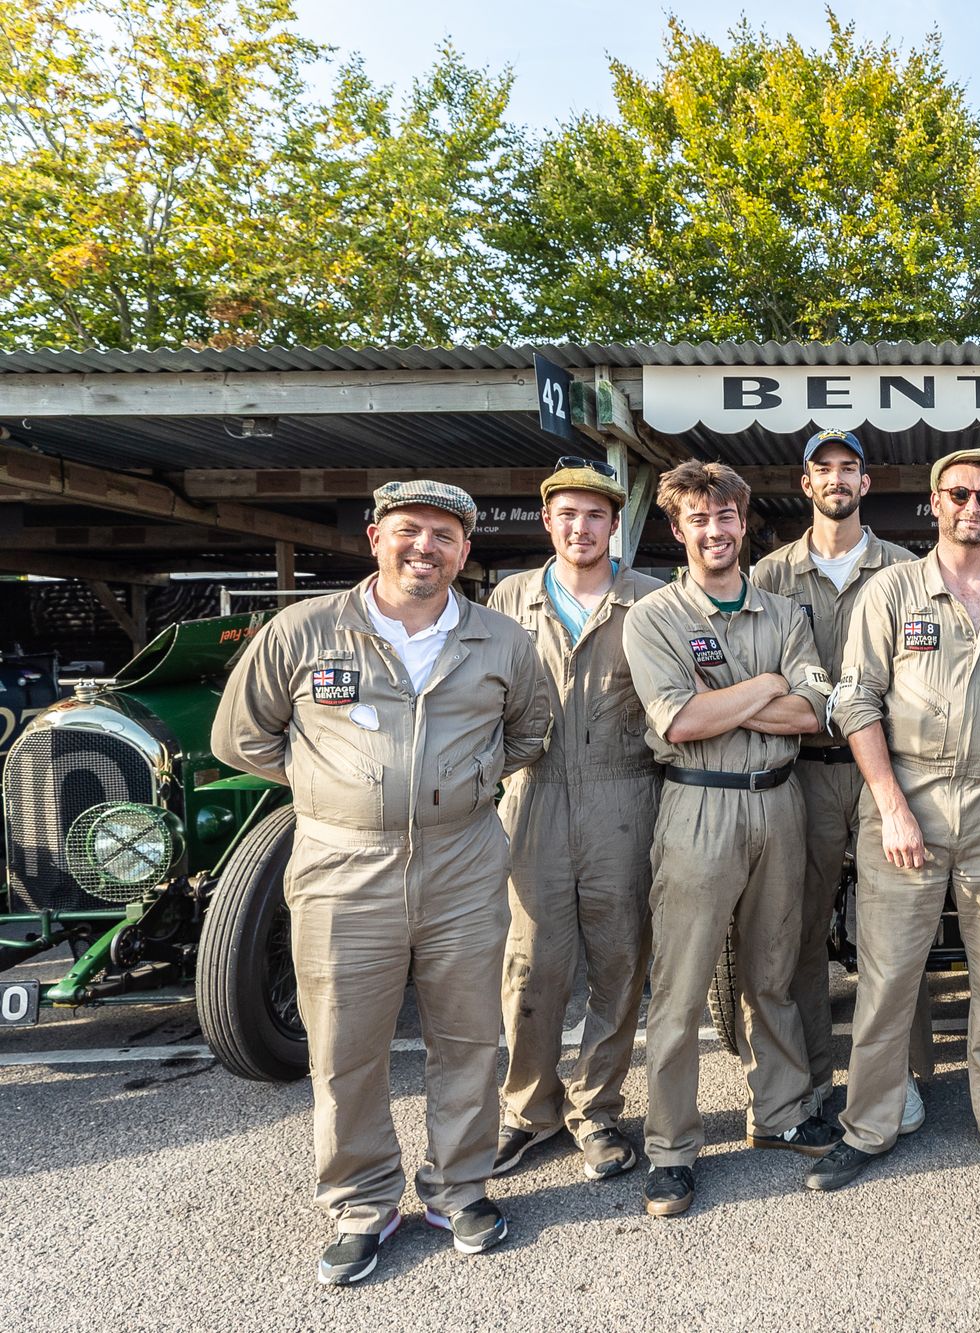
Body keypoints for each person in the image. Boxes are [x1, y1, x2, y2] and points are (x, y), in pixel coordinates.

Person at [212, 480, 552, 1286]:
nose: (425, 548)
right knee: (344, 1045)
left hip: (464, 858)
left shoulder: (502, 641)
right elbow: (242, 737)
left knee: (468, 1034)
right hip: (340, 864)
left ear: (465, 552)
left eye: (444, 534)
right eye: (409, 531)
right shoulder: (304, 630)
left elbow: (528, 733)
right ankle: (363, 1201)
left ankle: (457, 1187)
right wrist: (337, 788)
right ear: (375, 537)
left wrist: (458, 783)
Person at [806, 447, 980, 1191]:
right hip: (907, 797)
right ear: (934, 502)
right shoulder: (890, 591)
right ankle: (869, 1124)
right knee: (888, 976)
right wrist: (890, 804)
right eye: (959, 494)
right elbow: (856, 702)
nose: (972, 507)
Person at [623, 461, 840, 1219]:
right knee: (680, 990)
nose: (715, 532)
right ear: (677, 530)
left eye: (727, 518)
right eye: (699, 520)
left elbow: (814, 715)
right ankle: (672, 1147)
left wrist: (732, 701)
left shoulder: (784, 614)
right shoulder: (653, 617)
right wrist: (767, 687)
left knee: (772, 973)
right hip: (699, 807)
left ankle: (778, 1112)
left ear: (744, 524)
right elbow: (677, 721)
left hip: (780, 802)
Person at [488, 459, 664, 1182]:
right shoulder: (509, 599)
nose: (580, 526)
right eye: (567, 513)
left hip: (626, 794)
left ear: (614, 524)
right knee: (532, 963)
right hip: (532, 792)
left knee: (620, 961)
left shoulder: (651, 600)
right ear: (547, 519)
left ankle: (598, 1111)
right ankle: (528, 1110)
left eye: (595, 514)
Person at [749, 428, 926, 1136]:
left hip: (888, 771)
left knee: (896, 934)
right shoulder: (768, 576)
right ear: (806, 483)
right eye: (823, 468)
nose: (836, 479)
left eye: (848, 468)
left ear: (866, 483)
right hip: (805, 772)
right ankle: (813, 1078)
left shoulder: (907, 570)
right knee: (799, 936)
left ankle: (897, 1078)